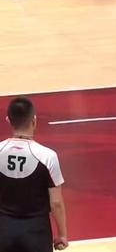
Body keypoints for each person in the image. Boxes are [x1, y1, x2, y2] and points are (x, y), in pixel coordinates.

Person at [0, 97, 68, 252]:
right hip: (36, 233)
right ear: (34, 120)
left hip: (3, 230)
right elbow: (56, 203)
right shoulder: (48, 156)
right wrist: (62, 235)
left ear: (8, 120)